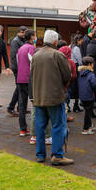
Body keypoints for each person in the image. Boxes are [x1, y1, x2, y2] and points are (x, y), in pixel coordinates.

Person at [30, 30, 73, 165]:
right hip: (55, 97)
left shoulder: (36, 55)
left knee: (40, 127)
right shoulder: (58, 55)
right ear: (55, 41)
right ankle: (57, 155)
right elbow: (67, 75)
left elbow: (32, 75)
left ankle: (40, 155)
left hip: (39, 97)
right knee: (58, 126)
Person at [14, 30, 36, 137]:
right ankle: (35, 129)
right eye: (35, 36)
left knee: (22, 105)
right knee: (35, 103)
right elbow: (33, 63)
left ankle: (22, 129)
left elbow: (18, 62)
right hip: (29, 79)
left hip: (20, 78)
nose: (35, 37)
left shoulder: (20, 48)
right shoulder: (31, 48)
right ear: (31, 37)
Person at [6, 26, 27, 116]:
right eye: (22, 32)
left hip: (21, 68)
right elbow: (14, 56)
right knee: (19, 88)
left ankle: (20, 108)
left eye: (24, 32)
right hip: (17, 68)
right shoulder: (15, 41)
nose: (23, 34)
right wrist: (19, 68)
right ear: (18, 32)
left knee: (20, 88)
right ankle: (11, 108)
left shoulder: (23, 40)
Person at [77, 56, 96, 134]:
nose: (93, 65)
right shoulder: (91, 74)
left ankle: (90, 125)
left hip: (82, 95)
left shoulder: (80, 73)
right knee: (88, 113)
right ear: (90, 64)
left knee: (87, 111)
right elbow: (95, 85)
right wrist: (95, 91)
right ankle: (86, 129)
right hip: (89, 95)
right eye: (93, 64)